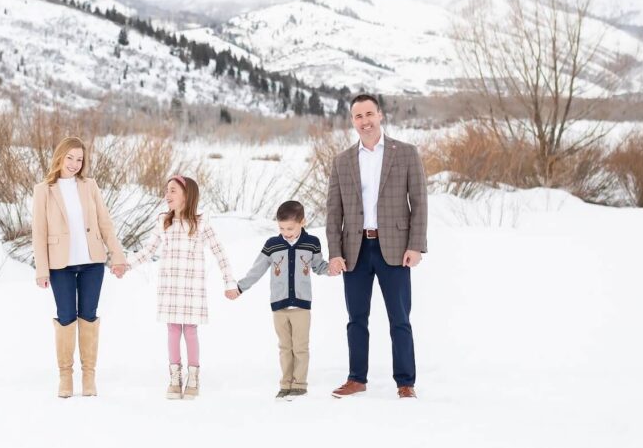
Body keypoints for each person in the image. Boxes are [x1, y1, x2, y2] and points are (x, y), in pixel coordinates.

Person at [326, 94, 428, 399]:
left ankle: (405, 382)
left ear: (380, 115)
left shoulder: (406, 153)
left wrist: (416, 246)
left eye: (369, 114)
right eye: (358, 116)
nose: (365, 121)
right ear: (352, 121)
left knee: (400, 318)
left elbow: (420, 203)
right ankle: (357, 378)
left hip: (395, 247)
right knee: (356, 317)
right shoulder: (342, 161)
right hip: (355, 249)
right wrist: (334, 252)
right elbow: (334, 211)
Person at [122, 175, 239, 399]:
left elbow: (219, 252)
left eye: (173, 190)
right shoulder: (163, 222)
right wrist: (127, 265)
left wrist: (229, 282)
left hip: (192, 288)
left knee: (191, 331)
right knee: (173, 330)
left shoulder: (201, 223)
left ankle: (193, 376)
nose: (168, 195)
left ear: (188, 195)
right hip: (170, 286)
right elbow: (148, 250)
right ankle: (175, 376)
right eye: (167, 190)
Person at [32, 137, 127, 398]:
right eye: (70, 158)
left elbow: (105, 223)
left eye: (79, 159)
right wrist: (41, 269)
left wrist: (117, 256)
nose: (74, 164)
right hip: (60, 265)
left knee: (88, 316)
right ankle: (65, 376)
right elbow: (38, 233)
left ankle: (89, 376)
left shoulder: (89, 186)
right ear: (60, 157)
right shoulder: (44, 190)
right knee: (66, 317)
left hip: (92, 262)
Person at [233, 200, 329, 400]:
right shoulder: (272, 245)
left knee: (300, 347)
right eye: (282, 228)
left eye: (290, 228)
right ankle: (286, 384)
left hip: (302, 306)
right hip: (279, 306)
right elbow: (257, 269)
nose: (286, 232)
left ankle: (299, 384)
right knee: (285, 347)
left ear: (302, 222)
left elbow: (319, 267)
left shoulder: (312, 242)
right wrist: (240, 287)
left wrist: (332, 269)